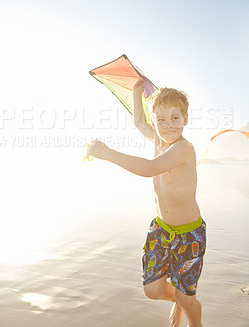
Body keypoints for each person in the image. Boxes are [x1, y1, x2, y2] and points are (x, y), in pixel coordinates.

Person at [88, 79, 206, 327]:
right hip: (161, 229)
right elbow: (139, 122)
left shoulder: (184, 148)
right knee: (152, 290)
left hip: (189, 235)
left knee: (187, 298)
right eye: (160, 119)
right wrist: (136, 93)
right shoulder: (158, 139)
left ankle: (194, 320)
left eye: (175, 118)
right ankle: (179, 299)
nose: (167, 125)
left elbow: (150, 168)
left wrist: (108, 153)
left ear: (185, 118)